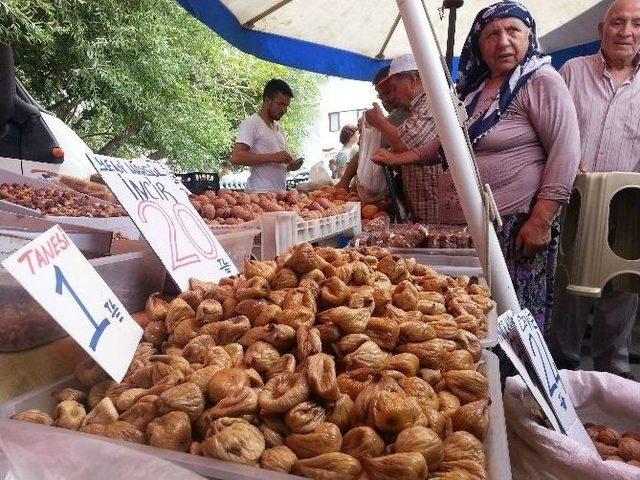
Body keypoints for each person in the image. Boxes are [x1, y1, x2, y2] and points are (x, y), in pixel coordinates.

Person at [373, 1, 581, 331]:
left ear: (529, 35)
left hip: (517, 227)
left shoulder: (541, 80)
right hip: (475, 229)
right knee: (480, 322)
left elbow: (566, 150)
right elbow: (447, 146)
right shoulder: (475, 90)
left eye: (513, 31)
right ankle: (490, 384)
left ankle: (516, 384)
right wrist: (399, 158)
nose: (503, 41)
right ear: (478, 44)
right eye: (492, 34)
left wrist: (542, 219)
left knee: (514, 321)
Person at [550, 0, 640, 378]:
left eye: (637, 24)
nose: (626, 31)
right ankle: (559, 390)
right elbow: (552, 133)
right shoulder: (571, 71)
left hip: (630, 213)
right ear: (601, 28)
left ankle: (612, 394)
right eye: (618, 22)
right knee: (566, 305)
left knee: (619, 307)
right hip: (576, 207)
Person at [349, 55, 441, 223]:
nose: (391, 96)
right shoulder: (416, 108)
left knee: (436, 246)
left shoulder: (431, 103)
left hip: (435, 205)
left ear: (412, 80)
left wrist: (379, 122)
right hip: (422, 203)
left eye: (393, 88)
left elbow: (405, 143)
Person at [335, 66, 409, 191]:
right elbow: (366, 150)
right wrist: (345, 181)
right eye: (381, 96)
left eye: (389, 92)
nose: (385, 100)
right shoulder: (395, 116)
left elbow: (409, 146)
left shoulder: (427, 108)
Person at [231, 79, 303, 192]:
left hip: (279, 194)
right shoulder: (251, 123)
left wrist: (290, 166)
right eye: (281, 104)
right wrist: (273, 157)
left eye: (286, 106)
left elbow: (278, 165)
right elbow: (237, 157)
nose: (284, 110)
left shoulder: (280, 129)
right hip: (258, 194)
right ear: (267, 100)